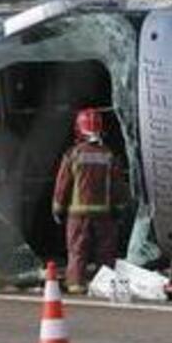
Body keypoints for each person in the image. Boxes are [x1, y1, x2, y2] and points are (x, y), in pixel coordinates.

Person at [52, 108, 128, 294]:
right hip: (104, 214)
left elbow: (63, 185)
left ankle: (76, 285)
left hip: (78, 215)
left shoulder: (73, 154)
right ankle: (105, 286)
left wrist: (58, 208)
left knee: (77, 252)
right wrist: (119, 209)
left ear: (79, 128)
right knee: (105, 253)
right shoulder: (109, 155)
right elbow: (118, 186)